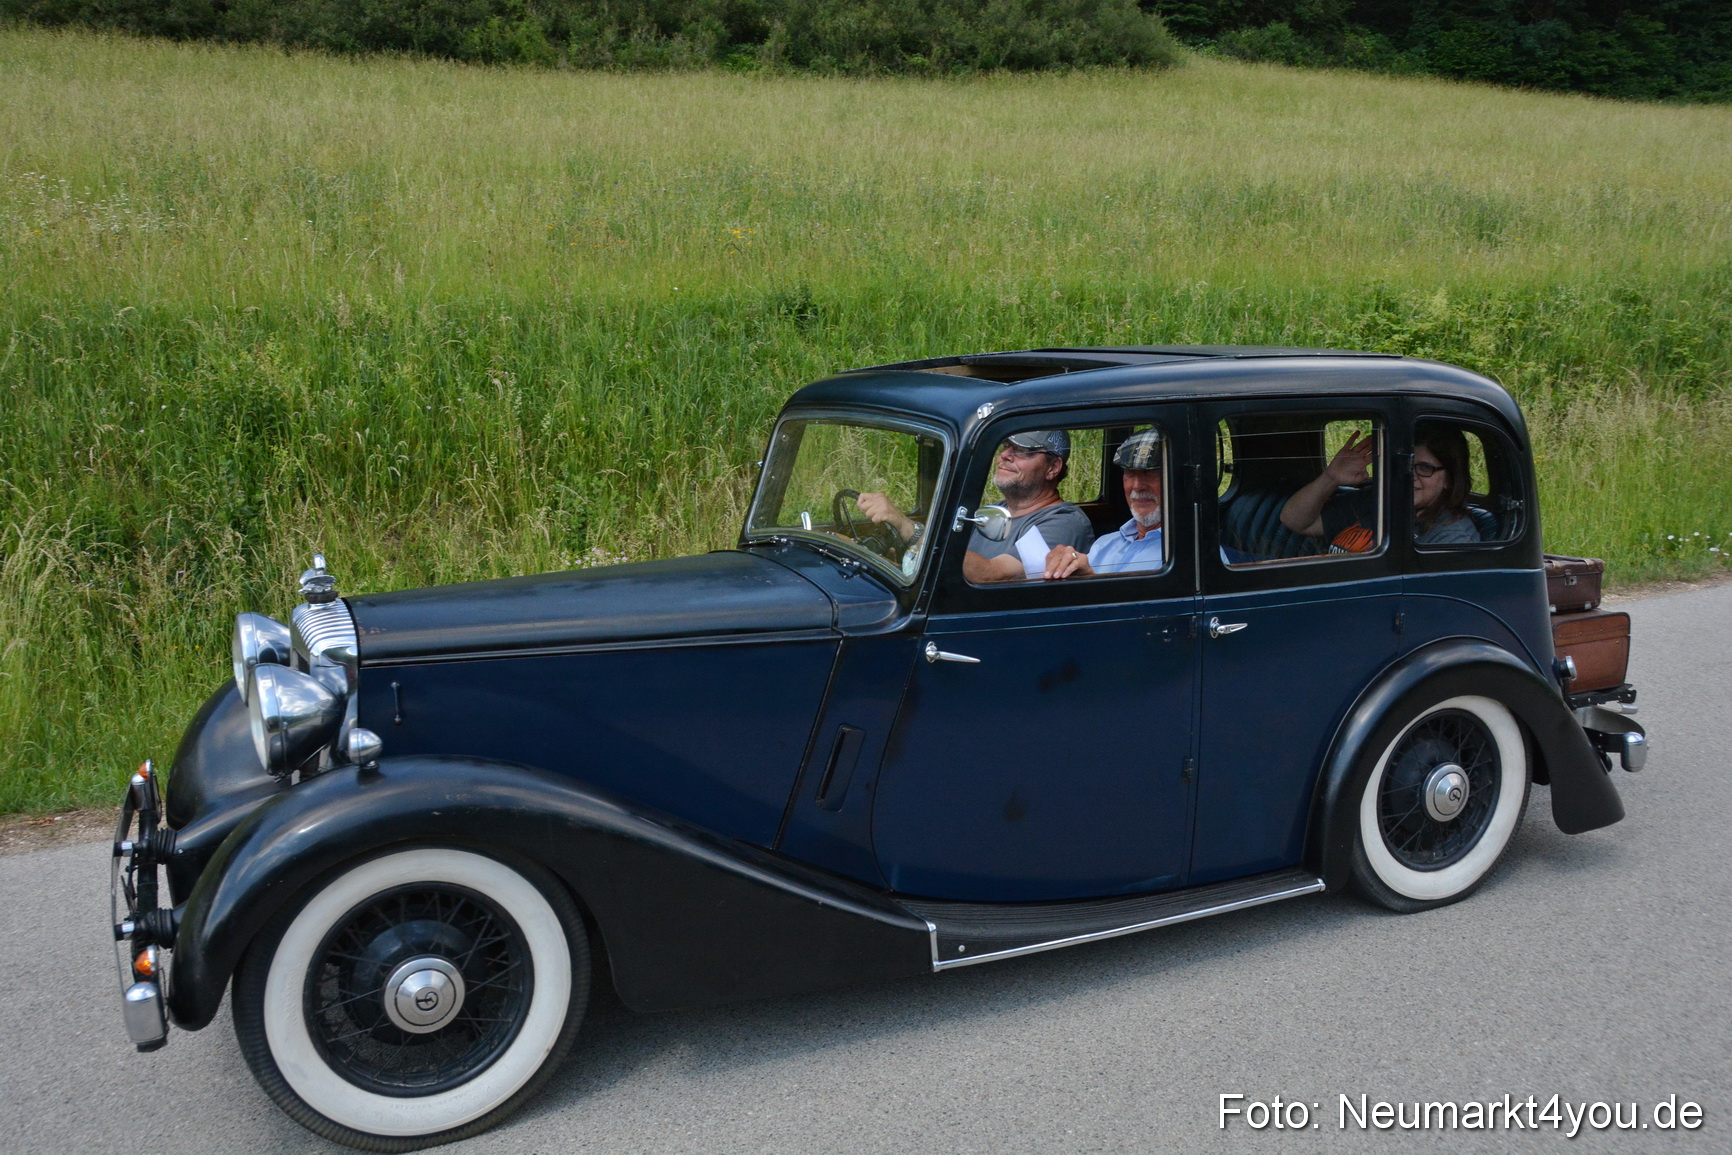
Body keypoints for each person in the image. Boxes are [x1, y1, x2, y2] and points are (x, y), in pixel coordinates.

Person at [856, 430, 1093, 582]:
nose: (1005, 456)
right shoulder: (994, 512)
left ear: (1053, 468)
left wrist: (906, 526)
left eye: (1023, 451)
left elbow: (992, 575)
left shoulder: (1064, 522)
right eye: (1005, 446)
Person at [1279, 426, 1481, 551]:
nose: (1411, 476)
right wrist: (1330, 478)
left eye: (1425, 468)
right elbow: (1296, 521)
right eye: (1405, 465)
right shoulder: (1377, 501)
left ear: (1450, 479)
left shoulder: (1451, 537)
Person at [1044, 428, 1165, 579]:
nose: (1137, 486)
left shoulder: (1184, 552)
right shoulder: (1105, 544)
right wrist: (1070, 560)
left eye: (1151, 473)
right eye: (1130, 473)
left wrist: (1089, 578)